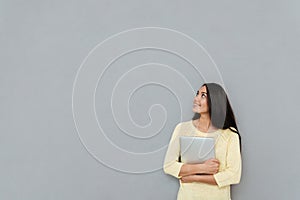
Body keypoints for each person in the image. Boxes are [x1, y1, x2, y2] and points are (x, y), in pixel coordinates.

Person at [163, 83, 242, 200]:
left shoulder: (229, 134)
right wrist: (202, 168)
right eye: (197, 94)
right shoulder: (182, 129)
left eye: (203, 96)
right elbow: (169, 165)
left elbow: (233, 175)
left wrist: (193, 177)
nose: (196, 99)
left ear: (215, 101)